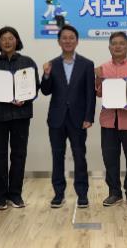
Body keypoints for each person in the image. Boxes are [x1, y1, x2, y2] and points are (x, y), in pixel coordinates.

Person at [0, 27, 39, 210]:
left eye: (11, 38)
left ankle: (15, 194)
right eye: (3, 39)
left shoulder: (27, 62)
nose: (7, 42)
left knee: (18, 155)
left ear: (17, 41)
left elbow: (35, 88)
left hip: (21, 115)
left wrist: (25, 99)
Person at [40, 25, 96, 209]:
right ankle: (58, 194)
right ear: (59, 41)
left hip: (79, 119)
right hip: (56, 118)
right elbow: (46, 91)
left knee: (80, 156)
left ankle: (82, 194)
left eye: (71, 37)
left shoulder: (87, 64)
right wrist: (46, 75)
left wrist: (89, 117)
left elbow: (90, 94)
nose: (68, 41)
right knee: (57, 156)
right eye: (64, 38)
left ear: (77, 41)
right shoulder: (51, 64)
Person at [95, 31, 127, 209]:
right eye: (114, 43)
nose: (117, 46)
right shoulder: (102, 68)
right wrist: (97, 78)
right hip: (108, 120)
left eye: (121, 43)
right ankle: (114, 193)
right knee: (109, 158)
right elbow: (98, 93)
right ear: (109, 47)